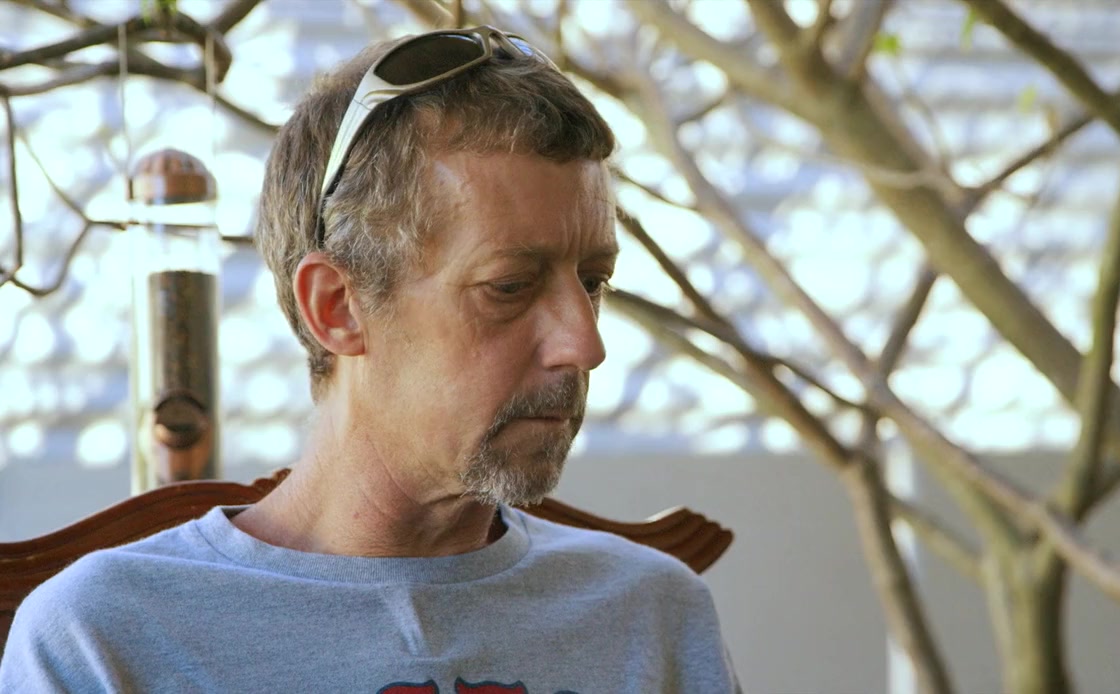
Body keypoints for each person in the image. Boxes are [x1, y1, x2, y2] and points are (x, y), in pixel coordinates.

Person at [0, 26, 739, 693]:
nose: (585, 344)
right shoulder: (105, 638)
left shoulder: (652, 617)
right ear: (338, 307)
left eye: (593, 282)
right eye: (509, 287)